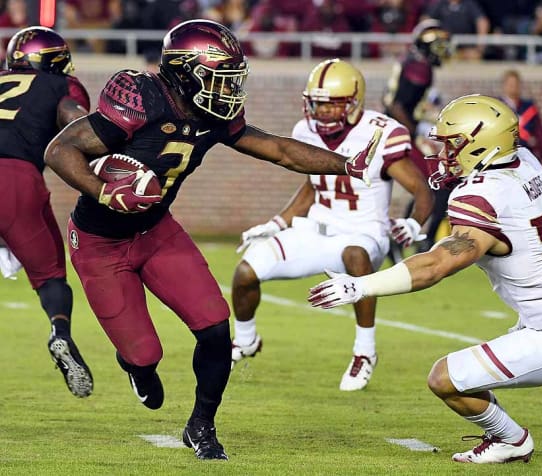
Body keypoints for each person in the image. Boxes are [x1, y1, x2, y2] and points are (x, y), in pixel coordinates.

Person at [44, 19, 376, 461]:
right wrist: (104, 189)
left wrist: (345, 165)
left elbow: (279, 149)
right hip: (100, 243)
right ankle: (135, 366)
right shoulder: (142, 98)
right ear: (185, 72)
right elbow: (59, 150)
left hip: (157, 232)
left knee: (216, 329)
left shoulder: (212, 115)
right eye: (221, 78)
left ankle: (201, 425)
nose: (229, 89)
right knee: (145, 355)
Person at [309, 94, 542, 464]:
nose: (442, 152)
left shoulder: (481, 196)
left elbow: (436, 265)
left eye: (452, 144)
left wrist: (361, 285)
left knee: (444, 378)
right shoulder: (524, 160)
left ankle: (511, 439)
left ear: (482, 145)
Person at [231, 59, 433, 391]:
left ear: (353, 102)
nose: (321, 111)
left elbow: (420, 188)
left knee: (355, 254)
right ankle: (246, 340)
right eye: (317, 103)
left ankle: (365, 352)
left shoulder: (380, 133)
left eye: (330, 104)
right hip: (315, 230)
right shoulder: (304, 131)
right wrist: (278, 222)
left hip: (365, 234)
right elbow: (313, 186)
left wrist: (413, 222)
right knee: (245, 271)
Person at [0, 26, 93, 398]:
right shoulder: (58, 86)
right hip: (15, 181)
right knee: (50, 275)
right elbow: (76, 120)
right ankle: (60, 330)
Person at [382, 19, 451, 255]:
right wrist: (411, 131)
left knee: (430, 185)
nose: (441, 51)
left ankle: (403, 238)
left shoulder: (413, 62)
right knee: (440, 183)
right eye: (437, 45)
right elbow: (397, 105)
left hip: (401, 131)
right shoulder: (419, 67)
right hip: (402, 134)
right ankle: (425, 240)